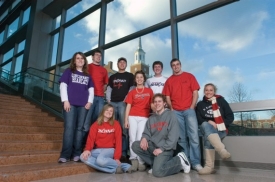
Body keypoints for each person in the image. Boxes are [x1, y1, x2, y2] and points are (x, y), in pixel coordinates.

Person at [132, 94, 191, 177]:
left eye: (159, 101)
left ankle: (179, 161)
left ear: (164, 103)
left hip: (166, 148)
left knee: (157, 172)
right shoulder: (151, 118)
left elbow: (173, 137)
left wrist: (162, 149)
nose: (157, 103)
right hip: (153, 147)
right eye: (155, 102)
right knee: (135, 145)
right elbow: (146, 133)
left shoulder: (171, 115)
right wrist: (144, 138)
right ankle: (156, 164)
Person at [162, 58, 202, 171]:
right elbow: (167, 97)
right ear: (171, 67)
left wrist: (191, 107)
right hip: (176, 112)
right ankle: (186, 163)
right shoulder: (169, 81)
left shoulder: (189, 76)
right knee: (181, 139)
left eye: (177, 64)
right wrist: (172, 109)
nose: (176, 66)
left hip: (189, 110)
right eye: (173, 65)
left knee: (194, 137)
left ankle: (196, 163)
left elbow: (195, 93)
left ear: (180, 65)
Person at [58, 52, 94, 163]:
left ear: (84, 61)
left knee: (79, 129)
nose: (80, 60)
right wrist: (65, 100)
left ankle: (76, 154)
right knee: (69, 128)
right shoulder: (69, 72)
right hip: (70, 104)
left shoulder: (87, 75)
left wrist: (90, 102)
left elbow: (91, 90)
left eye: (82, 58)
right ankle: (65, 154)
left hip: (83, 106)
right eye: (77, 58)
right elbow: (63, 85)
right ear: (74, 61)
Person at [80, 104, 132, 174]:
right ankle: (119, 167)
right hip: (98, 150)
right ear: (103, 111)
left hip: (110, 150)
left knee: (100, 160)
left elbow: (118, 142)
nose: (109, 112)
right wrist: (87, 150)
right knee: (82, 157)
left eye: (111, 111)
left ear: (113, 114)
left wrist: (117, 157)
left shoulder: (116, 124)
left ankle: (116, 166)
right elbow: (90, 139)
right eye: (107, 110)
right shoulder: (95, 125)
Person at [196, 83, 234, 175]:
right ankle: (222, 150)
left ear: (214, 91)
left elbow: (230, 116)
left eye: (211, 90)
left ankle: (209, 167)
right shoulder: (200, 104)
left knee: (208, 137)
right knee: (205, 125)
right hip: (207, 127)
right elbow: (199, 119)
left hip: (221, 129)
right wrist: (210, 121)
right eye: (206, 90)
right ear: (204, 91)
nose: (208, 92)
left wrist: (219, 124)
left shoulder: (221, 101)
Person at [124, 70, 154, 171]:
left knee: (141, 138)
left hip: (144, 117)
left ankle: (141, 160)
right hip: (132, 116)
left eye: (141, 77)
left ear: (144, 79)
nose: (139, 79)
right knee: (132, 138)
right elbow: (128, 106)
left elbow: (152, 105)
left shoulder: (149, 91)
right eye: (137, 78)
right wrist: (126, 120)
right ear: (135, 80)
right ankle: (133, 159)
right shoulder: (132, 92)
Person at [106, 57, 134, 161]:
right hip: (112, 103)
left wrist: (125, 101)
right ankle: (112, 150)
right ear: (118, 64)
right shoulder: (113, 76)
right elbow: (109, 89)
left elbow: (131, 89)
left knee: (124, 129)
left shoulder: (130, 76)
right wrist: (108, 101)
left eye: (124, 62)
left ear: (126, 65)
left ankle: (123, 152)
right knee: (111, 127)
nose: (122, 64)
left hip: (123, 104)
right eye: (120, 62)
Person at [83, 49, 108, 142]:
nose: (98, 57)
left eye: (100, 55)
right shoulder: (87, 67)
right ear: (92, 57)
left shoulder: (104, 70)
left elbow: (105, 84)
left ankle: (92, 143)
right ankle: (83, 144)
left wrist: (101, 91)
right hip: (89, 97)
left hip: (100, 98)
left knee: (97, 121)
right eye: (96, 55)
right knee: (86, 121)